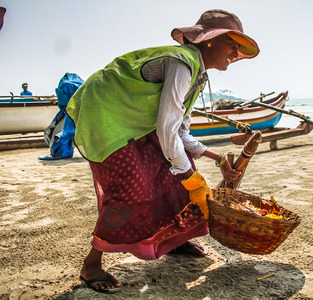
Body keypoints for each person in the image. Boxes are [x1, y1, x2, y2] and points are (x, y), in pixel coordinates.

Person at [66, 9, 259, 292]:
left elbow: (180, 132)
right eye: (232, 43)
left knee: (177, 175)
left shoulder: (196, 73)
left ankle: (175, 241)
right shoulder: (182, 63)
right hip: (106, 114)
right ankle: (92, 264)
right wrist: (192, 179)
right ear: (209, 40)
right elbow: (167, 129)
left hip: (135, 121)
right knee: (130, 188)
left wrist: (217, 159)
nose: (236, 51)